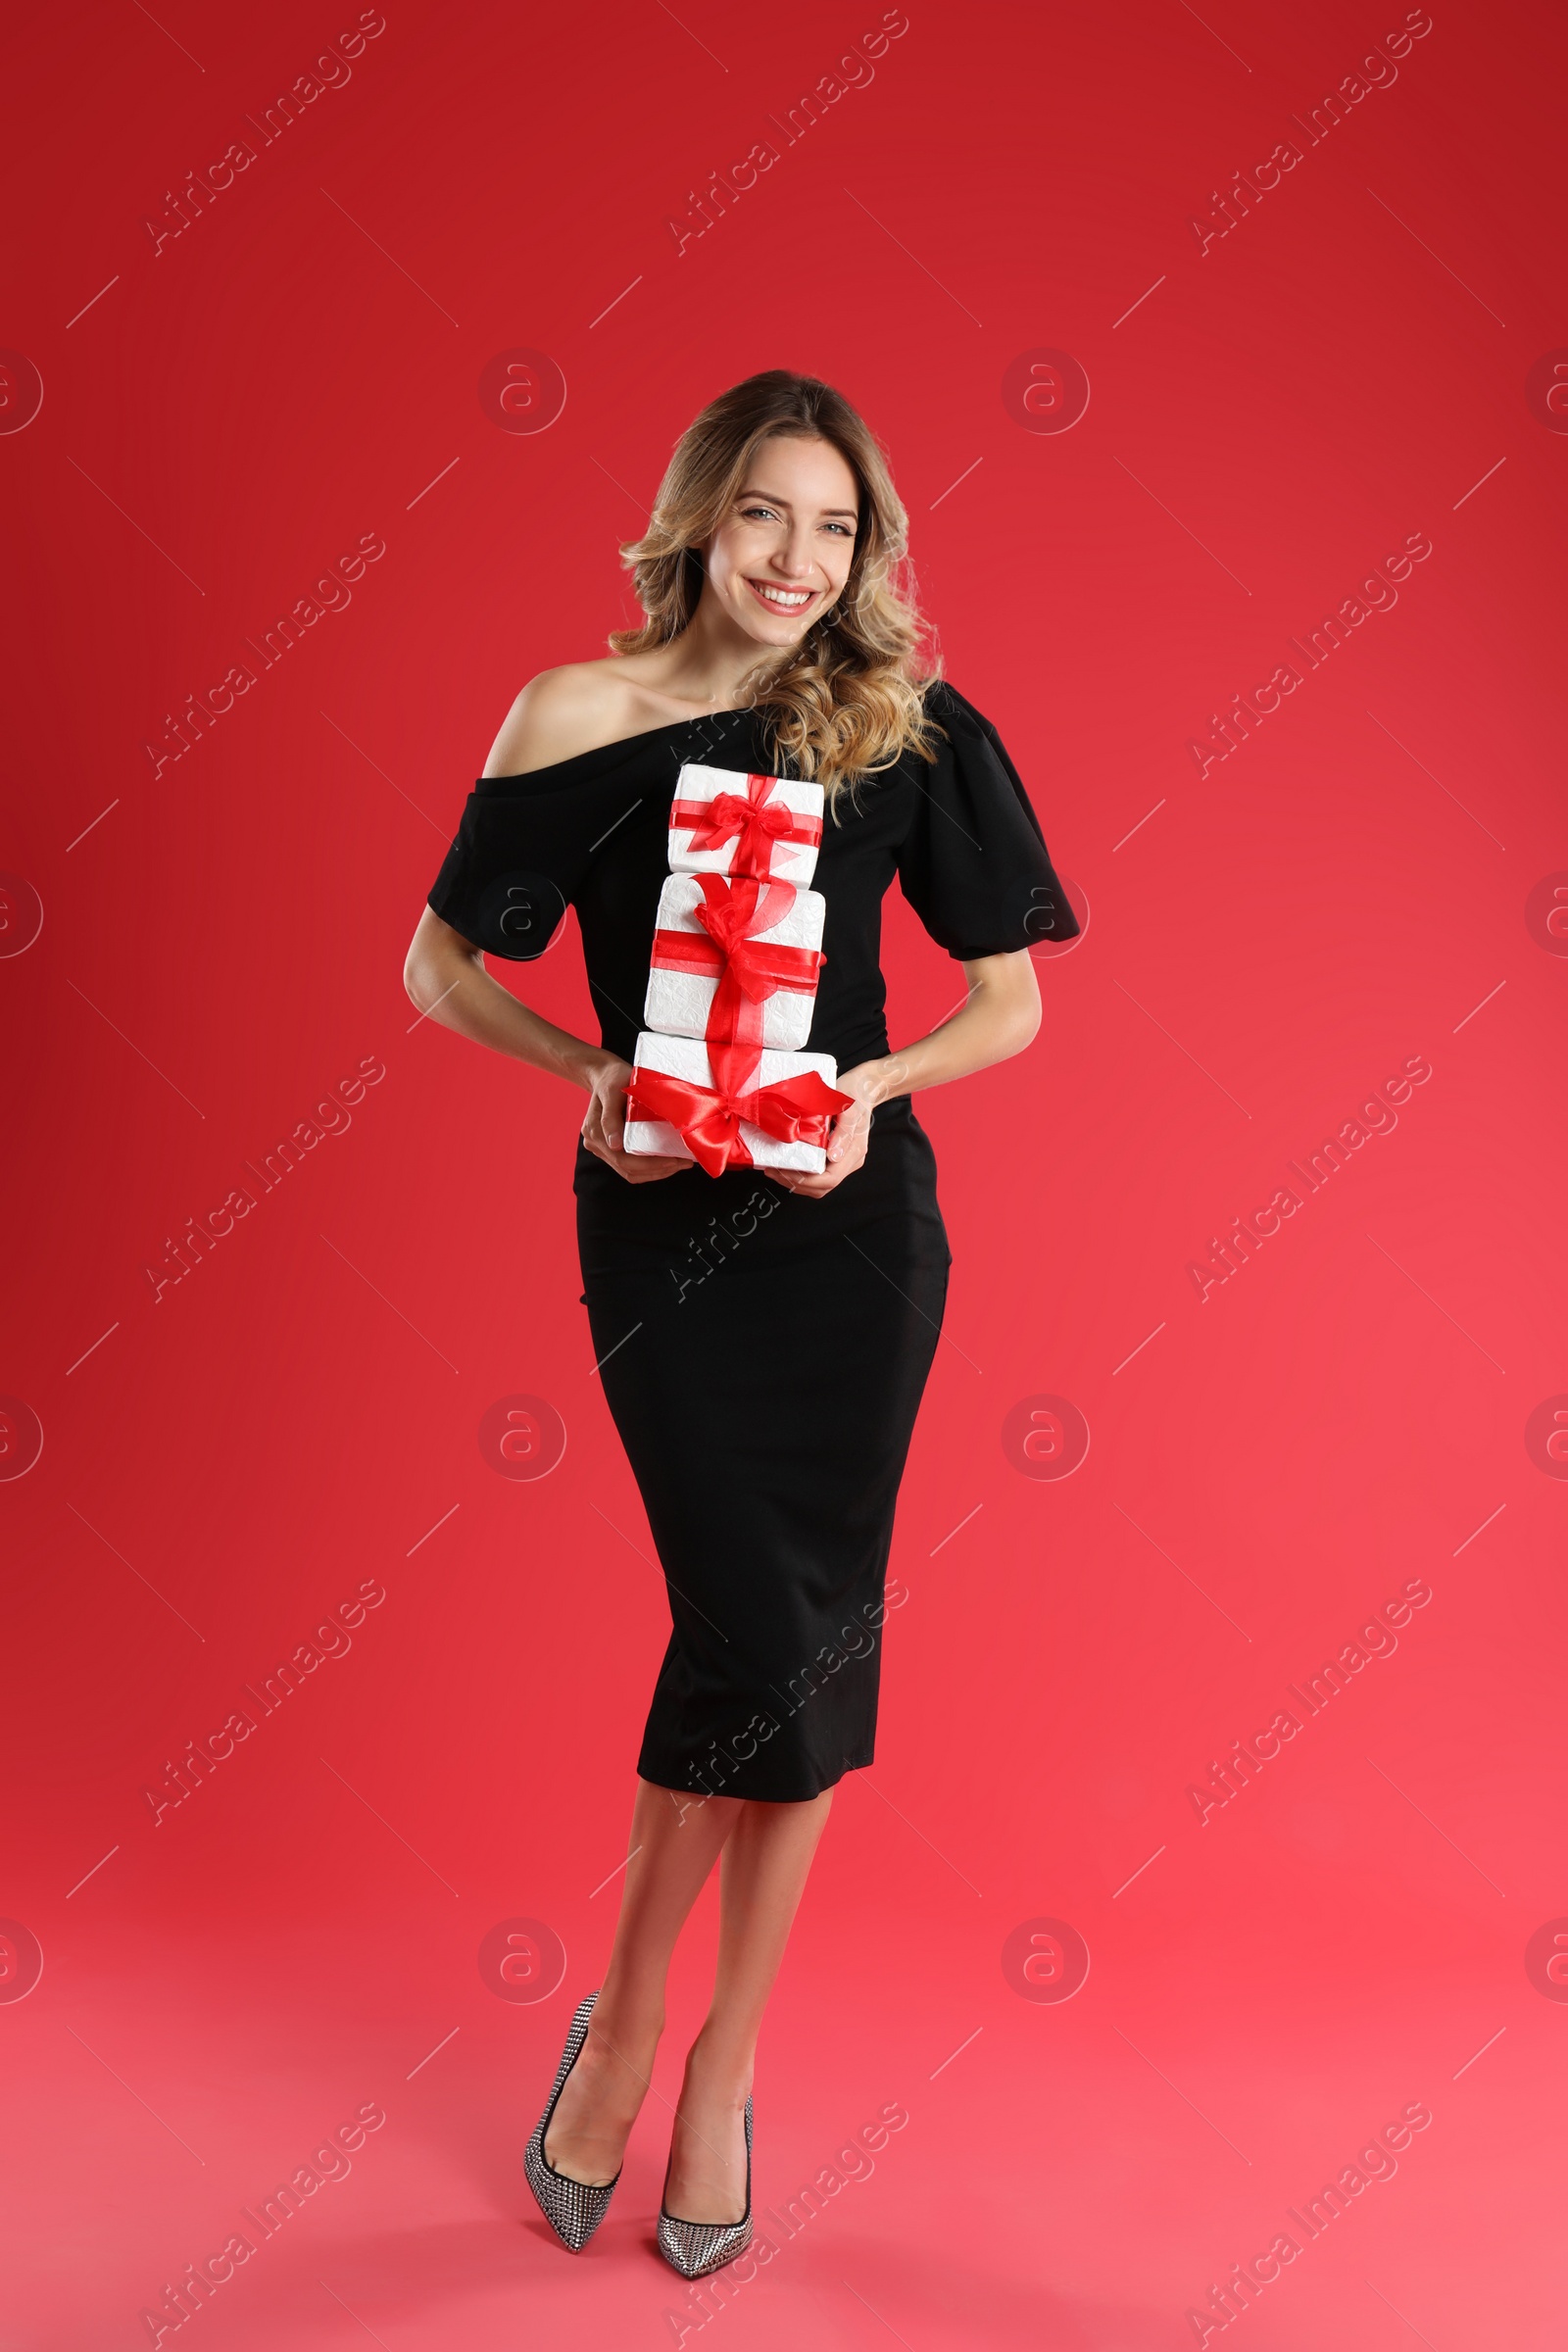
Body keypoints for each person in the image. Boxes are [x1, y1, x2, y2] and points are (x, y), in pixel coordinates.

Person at [403, 368, 1079, 2277]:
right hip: (660, 1242)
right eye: (765, 514)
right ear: (699, 516)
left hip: (848, 1249)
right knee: (744, 1627)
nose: (797, 560)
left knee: (794, 1648)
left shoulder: (897, 725)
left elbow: (1007, 1007)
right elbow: (437, 965)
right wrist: (585, 1074)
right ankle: (624, 2027)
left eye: (835, 525)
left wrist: (868, 1091)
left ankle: (707, 2062)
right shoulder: (581, 716)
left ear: (863, 550)